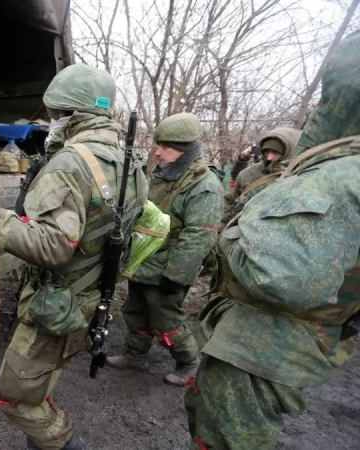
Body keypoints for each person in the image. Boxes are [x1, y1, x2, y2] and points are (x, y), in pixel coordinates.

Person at [0, 64, 147, 450]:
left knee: (17, 397)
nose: (51, 122)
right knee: (38, 385)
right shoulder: (128, 162)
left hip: (59, 302)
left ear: (72, 115)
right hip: (90, 298)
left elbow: (53, 246)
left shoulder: (71, 163)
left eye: (56, 113)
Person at [184, 29, 360, 450]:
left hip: (266, 351)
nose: (270, 158)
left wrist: (231, 232)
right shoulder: (296, 174)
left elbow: (280, 274)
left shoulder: (337, 179)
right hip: (255, 339)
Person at [106, 113, 223, 386]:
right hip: (144, 260)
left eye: (165, 147)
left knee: (167, 319)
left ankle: (189, 362)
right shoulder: (164, 175)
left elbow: (199, 236)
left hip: (168, 267)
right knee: (135, 311)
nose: (157, 152)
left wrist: (176, 276)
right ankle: (135, 355)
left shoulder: (204, 186)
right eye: (158, 145)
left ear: (185, 151)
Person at [222, 127, 301, 225]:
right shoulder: (248, 173)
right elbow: (229, 202)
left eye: (275, 153)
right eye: (267, 152)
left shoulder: (302, 177)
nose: (269, 157)